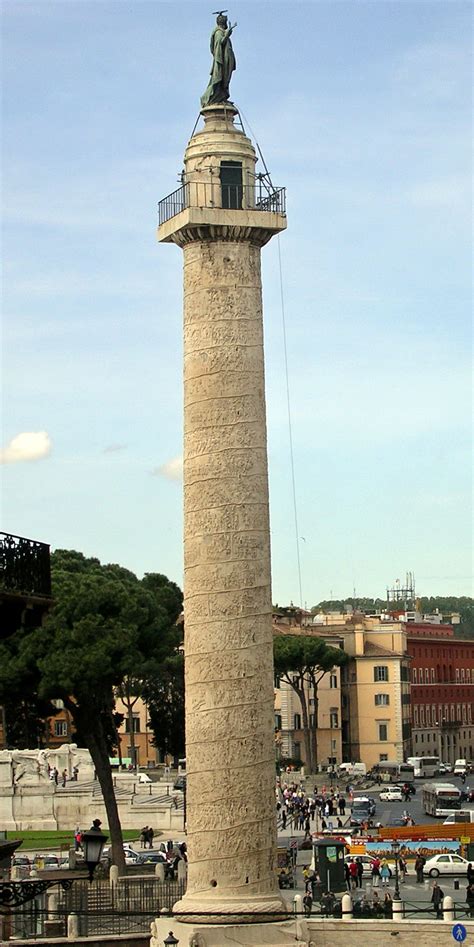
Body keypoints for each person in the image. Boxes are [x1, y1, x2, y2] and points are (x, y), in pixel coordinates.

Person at [201, 14, 237, 108]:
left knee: (226, 79)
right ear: (223, 22)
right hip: (222, 59)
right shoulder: (218, 32)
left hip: (227, 59)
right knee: (220, 78)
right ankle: (214, 97)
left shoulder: (221, 31)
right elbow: (220, 43)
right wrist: (227, 34)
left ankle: (222, 96)